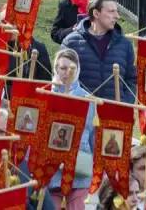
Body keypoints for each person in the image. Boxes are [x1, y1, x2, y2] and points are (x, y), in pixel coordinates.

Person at [61, 0, 136, 101]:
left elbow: (131, 80)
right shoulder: (71, 43)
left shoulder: (125, 45)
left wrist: (125, 103)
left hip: (113, 115)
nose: (117, 16)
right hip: (83, 114)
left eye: (116, 11)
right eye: (111, 11)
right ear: (96, 13)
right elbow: (62, 79)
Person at [46, 47, 96, 209]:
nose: (67, 73)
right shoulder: (46, 94)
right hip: (51, 171)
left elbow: (93, 135)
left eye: (72, 68)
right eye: (63, 68)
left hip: (79, 169)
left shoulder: (88, 100)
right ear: (56, 69)